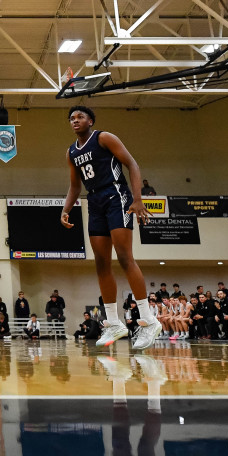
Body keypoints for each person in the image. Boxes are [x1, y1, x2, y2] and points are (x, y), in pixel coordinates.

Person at [61, 105, 159, 349]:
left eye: (80, 117)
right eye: (71, 118)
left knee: (125, 257)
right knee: (101, 262)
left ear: (91, 120)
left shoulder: (104, 138)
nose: (75, 121)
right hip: (94, 201)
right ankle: (114, 323)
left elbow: (132, 164)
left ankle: (148, 320)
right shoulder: (71, 152)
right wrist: (65, 209)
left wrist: (138, 199)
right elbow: (75, 186)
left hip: (116, 195)